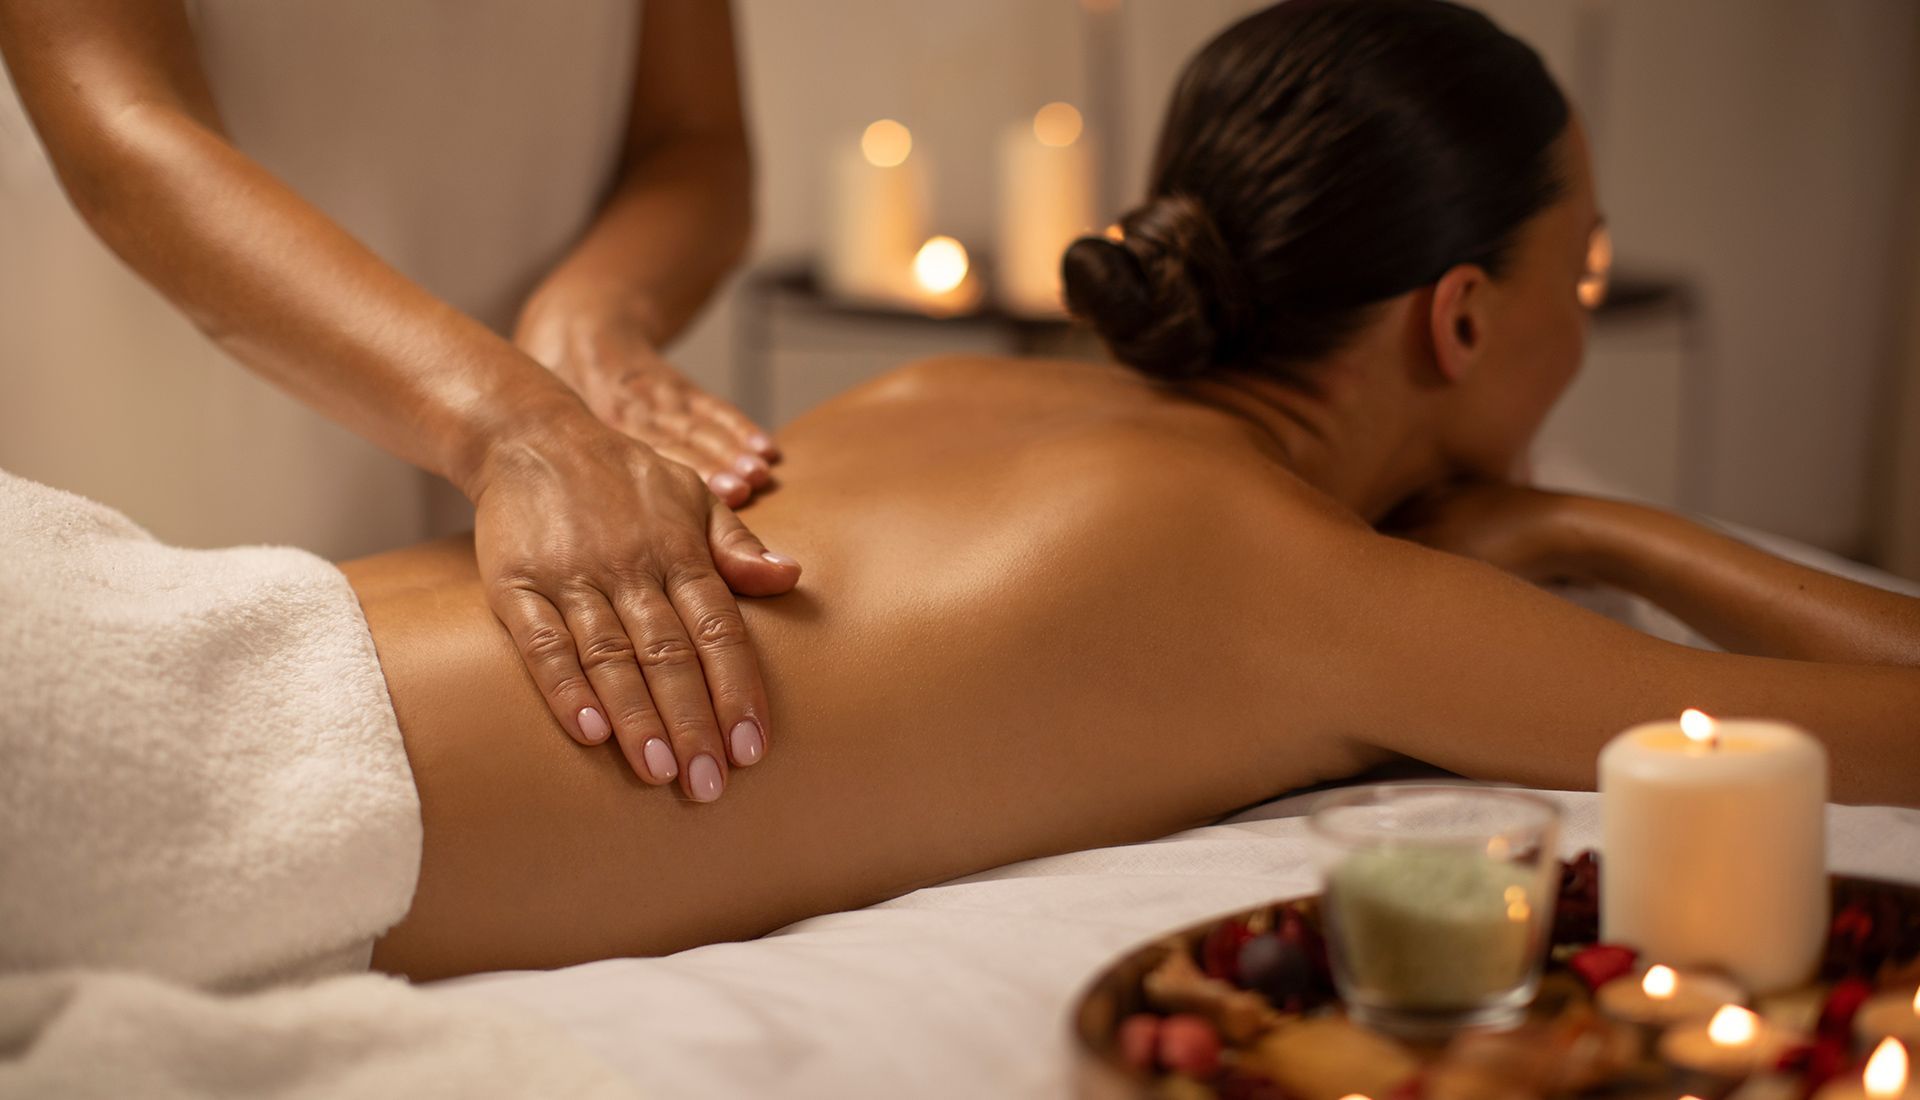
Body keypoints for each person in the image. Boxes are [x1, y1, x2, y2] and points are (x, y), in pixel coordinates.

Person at [8, 0, 1919, 987]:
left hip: (131, 632)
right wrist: (1612, 529)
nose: (1583, 328)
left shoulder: (951, 394)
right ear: (1461, 314)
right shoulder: (1289, 577)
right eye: (1582, 280)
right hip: (156, 792)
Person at [0, 0, 794, 805]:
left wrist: (592, 318)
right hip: (166, 400)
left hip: (544, 474)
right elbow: (120, 125)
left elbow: (695, 139)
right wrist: (517, 422)